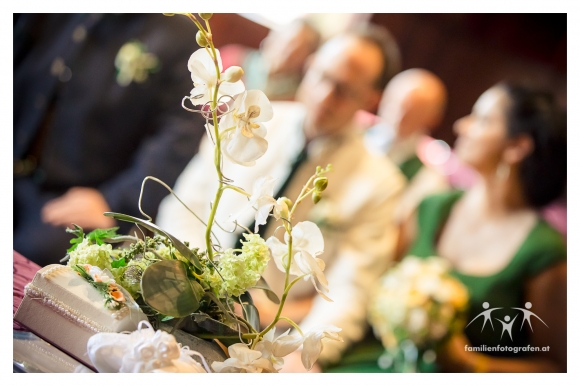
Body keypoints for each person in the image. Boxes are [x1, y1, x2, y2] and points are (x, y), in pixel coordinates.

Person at [156, 24, 405, 370]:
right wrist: (198, 279)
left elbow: (352, 288)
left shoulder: (379, 183)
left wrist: (302, 351)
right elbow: (186, 204)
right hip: (186, 285)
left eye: (345, 91)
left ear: (371, 99)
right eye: (323, 76)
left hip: (267, 335)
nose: (325, 96)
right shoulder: (250, 119)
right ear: (311, 64)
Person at [330, 81, 566, 372]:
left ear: (517, 146)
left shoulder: (544, 251)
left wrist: (473, 363)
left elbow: (557, 368)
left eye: (482, 120)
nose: (461, 126)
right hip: (367, 362)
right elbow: (369, 284)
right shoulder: (433, 207)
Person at [13, 14, 206, 266]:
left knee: (39, 258)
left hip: (74, 195)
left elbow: (178, 138)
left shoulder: (180, 36)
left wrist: (115, 202)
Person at [365, 68, 450, 234]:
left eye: (414, 110)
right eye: (396, 104)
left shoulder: (429, 179)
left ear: (433, 118)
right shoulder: (352, 135)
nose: (400, 116)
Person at [221, 18, 321, 101]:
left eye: (300, 50)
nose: (290, 53)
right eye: (289, 42)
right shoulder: (232, 57)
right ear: (274, 37)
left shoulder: (291, 99)